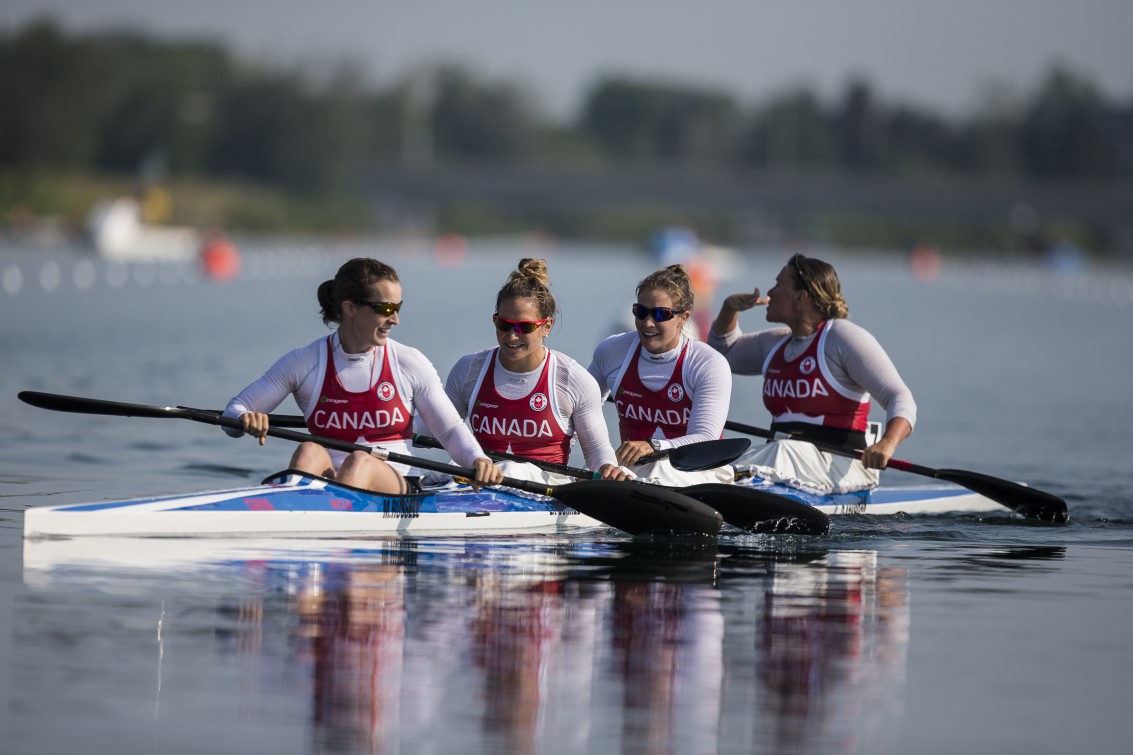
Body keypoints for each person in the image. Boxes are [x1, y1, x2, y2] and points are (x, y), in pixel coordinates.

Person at [223, 257, 504, 494]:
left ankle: (318, 525)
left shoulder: (408, 363)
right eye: (385, 309)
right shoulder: (304, 362)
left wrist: (477, 460)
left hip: (396, 482)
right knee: (309, 450)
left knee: (360, 460)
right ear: (350, 308)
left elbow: (450, 430)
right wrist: (245, 419)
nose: (395, 319)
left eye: (398, 308)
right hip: (327, 477)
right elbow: (232, 413)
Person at [707, 253, 916, 492]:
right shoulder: (776, 344)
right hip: (783, 466)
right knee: (738, 462)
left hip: (841, 466)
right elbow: (721, 356)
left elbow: (899, 397)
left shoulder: (842, 338)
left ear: (801, 296)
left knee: (781, 451)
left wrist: (887, 444)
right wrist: (728, 310)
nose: (770, 292)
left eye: (779, 285)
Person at [442, 258, 628, 482]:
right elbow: (435, 431)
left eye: (524, 327)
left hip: (544, 491)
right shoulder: (469, 370)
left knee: (512, 469)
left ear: (547, 327)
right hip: (481, 485)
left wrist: (608, 469)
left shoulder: (572, 380)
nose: (511, 336)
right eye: (503, 324)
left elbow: (597, 452)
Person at [588, 264, 733, 483]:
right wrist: (603, 460)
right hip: (631, 474)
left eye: (660, 314)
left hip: (699, 470)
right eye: (641, 312)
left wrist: (654, 446)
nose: (647, 323)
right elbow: (580, 412)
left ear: (683, 317)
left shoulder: (708, 363)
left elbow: (705, 439)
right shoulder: (611, 352)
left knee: (657, 469)